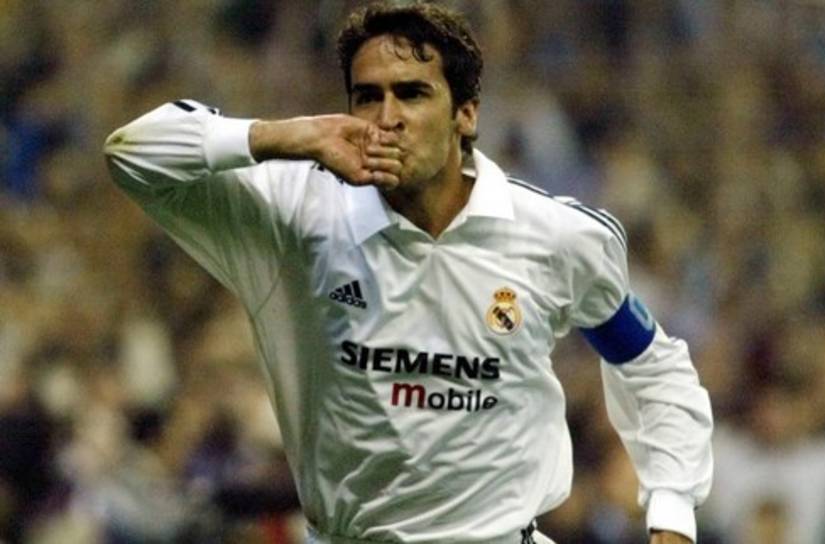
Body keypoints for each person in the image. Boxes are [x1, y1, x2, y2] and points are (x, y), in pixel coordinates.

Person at [103, 2, 713, 543]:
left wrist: (672, 511)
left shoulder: (555, 236)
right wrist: (287, 135)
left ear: (466, 114)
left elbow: (648, 363)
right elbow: (133, 154)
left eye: (412, 94)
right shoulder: (296, 216)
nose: (386, 116)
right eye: (367, 96)